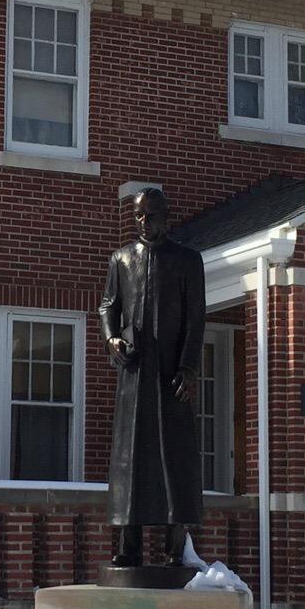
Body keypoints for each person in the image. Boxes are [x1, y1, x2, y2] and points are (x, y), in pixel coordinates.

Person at [98, 187, 206, 569]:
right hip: (135, 373)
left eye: (152, 215)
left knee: (174, 458)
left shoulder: (187, 261)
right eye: (140, 216)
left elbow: (196, 320)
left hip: (170, 374)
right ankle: (129, 546)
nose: (146, 222)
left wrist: (189, 368)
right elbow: (108, 305)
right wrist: (113, 338)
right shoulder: (121, 259)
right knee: (132, 459)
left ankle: (176, 546)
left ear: (166, 215)